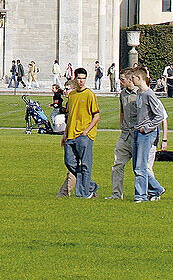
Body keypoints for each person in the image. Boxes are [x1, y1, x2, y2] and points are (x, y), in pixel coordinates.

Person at [130, 66, 167, 202]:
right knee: (136, 166)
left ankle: (140, 196)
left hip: (146, 134)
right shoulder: (139, 93)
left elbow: (159, 115)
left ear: (139, 78)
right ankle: (156, 189)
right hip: (138, 133)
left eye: (133, 77)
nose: (131, 79)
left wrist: (146, 128)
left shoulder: (149, 94)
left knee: (140, 166)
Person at [61, 67, 100, 198]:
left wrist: (86, 132)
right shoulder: (71, 96)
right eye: (79, 78)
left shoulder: (89, 94)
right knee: (69, 162)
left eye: (83, 79)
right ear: (75, 79)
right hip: (71, 134)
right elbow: (70, 116)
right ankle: (91, 186)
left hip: (84, 135)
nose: (81, 81)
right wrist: (65, 134)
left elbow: (96, 116)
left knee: (85, 164)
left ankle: (83, 194)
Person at [106, 69, 142, 199]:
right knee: (117, 165)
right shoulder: (123, 93)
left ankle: (149, 192)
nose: (120, 82)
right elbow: (122, 110)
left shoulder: (140, 93)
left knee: (142, 168)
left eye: (122, 79)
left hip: (138, 136)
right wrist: (122, 124)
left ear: (130, 79)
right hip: (125, 135)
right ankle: (116, 194)